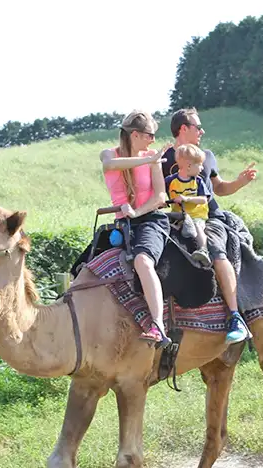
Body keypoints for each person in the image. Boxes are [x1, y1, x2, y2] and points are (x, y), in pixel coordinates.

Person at [163, 108, 257, 344]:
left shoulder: (207, 156)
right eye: (198, 127)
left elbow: (220, 188)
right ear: (183, 129)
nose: (202, 131)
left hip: (208, 218)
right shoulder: (163, 159)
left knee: (215, 250)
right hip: (174, 218)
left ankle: (236, 317)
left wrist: (240, 182)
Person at [100, 110, 173, 347]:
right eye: (149, 135)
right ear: (135, 135)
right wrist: (148, 160)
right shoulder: (109, 154)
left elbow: (161, 196)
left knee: (142, 261)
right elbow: (111, 164)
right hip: (122, 224)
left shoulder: (152, 157)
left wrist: (137, 212)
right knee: (86, 267)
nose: (153, 140)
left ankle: (158, 325)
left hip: (150, 220)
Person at [165, 143, 212, 267]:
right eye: (200, 164)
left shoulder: (198, 181)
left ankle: (203, 249)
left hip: (196, 215)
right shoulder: (170, 181)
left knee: (197, 226)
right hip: (178, 216)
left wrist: (187, 198)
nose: (202, 168)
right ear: (189, 165)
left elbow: (203, 200)